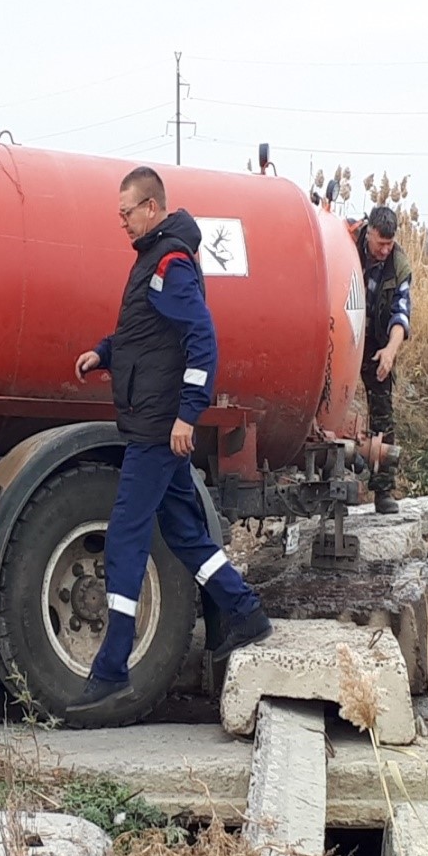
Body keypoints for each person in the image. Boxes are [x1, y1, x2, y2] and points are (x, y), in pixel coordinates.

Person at [68, 167, 272, 721]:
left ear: (153, 208)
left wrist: (187, 417)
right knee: (183, 531)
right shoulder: (151, 259)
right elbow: (145, 333)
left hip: (158, 429)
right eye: (120, 213)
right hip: (151, 422)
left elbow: (202, 341)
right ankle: (245, 610)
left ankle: (111, 669)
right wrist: (105, 352)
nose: (122, 221)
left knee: (126, 540)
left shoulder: (170, 263)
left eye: (128, 212)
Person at [355, 203, 412, 515]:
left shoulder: (399, 267)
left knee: (383, 415)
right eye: (380, 243)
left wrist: (390, 351)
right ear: (370, 234)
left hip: (376, 342)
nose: (385, 249)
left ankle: (383, 491)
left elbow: (401, 315)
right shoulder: (348, 241)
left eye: (390, 244)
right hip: (340, 338)